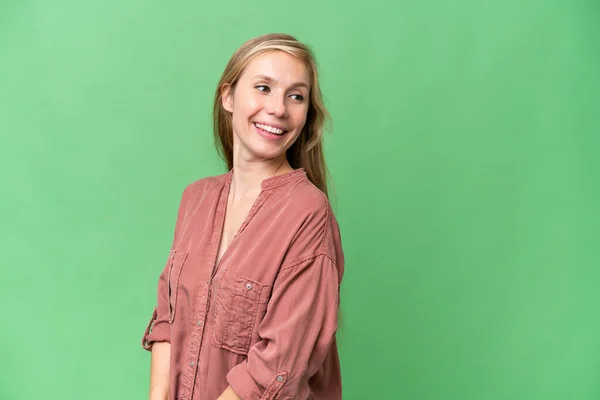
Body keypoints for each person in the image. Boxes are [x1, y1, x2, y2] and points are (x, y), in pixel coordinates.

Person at [141, 33, 345, 400]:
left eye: (295, 96)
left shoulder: (307, 212)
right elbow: (167, 320)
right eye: (264, 87)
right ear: (229, 97)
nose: (279, 108)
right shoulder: (196, 199)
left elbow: (276, 367)